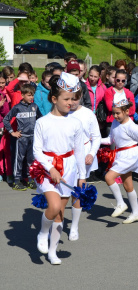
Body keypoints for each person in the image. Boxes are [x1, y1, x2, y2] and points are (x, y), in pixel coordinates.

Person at [34, 72, 86, 265]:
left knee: (60, 213)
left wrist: (82, 176)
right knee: (54, 206)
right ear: (54, 99)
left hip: (69, 168)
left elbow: (79, 151)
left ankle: (53, 251)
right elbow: (37, 151)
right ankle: (42, 232)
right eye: (66, 99)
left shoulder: (76, 122)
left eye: (73, 99)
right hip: (46, 170)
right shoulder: (42, 122)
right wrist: (50, 168)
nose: (70, 103)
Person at [101, 92, 138, 224]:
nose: (115, 116)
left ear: (127, 111)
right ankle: (135, 213)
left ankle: (121, 203)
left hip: (131, 155)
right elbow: (111, 140)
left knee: (108, 177)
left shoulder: (132, 127)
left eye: (118, 113)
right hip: (121, 155)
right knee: (128, 185)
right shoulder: (115, 124)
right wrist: (96, 140)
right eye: (114, 113)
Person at [68, 87, 101, 240]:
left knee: (77, 189)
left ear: (80, 96)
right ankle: (58, 220)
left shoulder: (88, 113)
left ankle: (74, 226)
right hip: (65, 155)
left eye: (75, 98)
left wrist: (91, 153)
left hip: (83, 155)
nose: (72, 102)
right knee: (62, 190)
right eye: (69, 98)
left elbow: (97, 137)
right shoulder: (61, 112)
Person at [3, 84, 41, 190]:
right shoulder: (17, 108)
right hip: (22, 138)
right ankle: (16, 181)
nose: (31, 97)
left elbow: (41, 119)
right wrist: (12, 132)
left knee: (31, 159)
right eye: (29, 95)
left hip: (32, 137)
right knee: (19, 159)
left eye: (32, 95)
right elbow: (6, 119)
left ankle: (30, 179)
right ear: (23, 95)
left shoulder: (35, 106)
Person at [104, 69, 135, 136]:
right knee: (112, 145)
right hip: (112, 123)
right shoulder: (108, 92)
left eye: (123, 81)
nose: (120, 82)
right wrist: (125, 108)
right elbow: (110, 108)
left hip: (126, 124)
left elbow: (132, 110)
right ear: (115, 79)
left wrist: (115, 104)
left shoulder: (129, 93)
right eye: (118, 80)